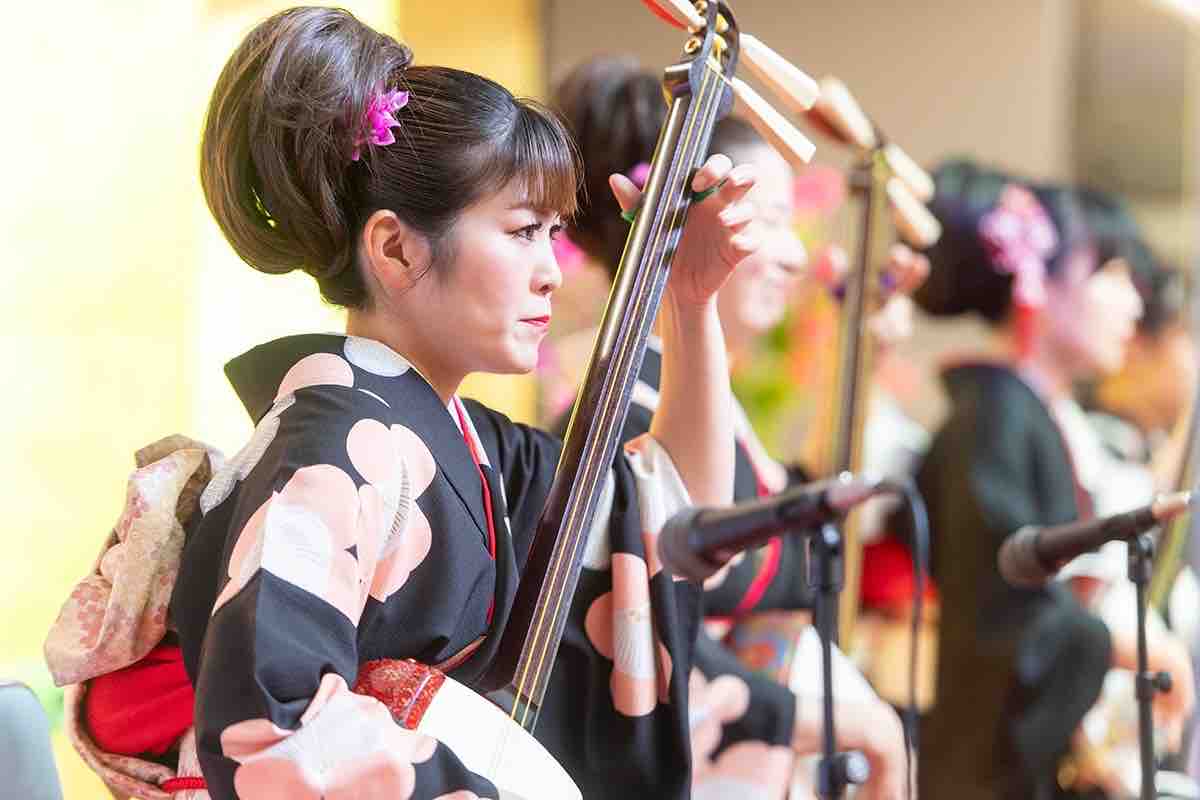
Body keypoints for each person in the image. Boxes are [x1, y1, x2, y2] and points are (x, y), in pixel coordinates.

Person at [73, 7, 767, 799]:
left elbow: (673, 523)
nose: (551, 271)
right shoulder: (329, 450)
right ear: (396, 248)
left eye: (553, 234)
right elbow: (277, 730)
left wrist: (690, 303)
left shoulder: (473, 445)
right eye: (522, 231)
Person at [554, 56, 923, 800]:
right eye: (774, 222)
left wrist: (861, 356)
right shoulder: (625, 412)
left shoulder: (695, 400)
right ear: (697, 223)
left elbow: (798, 528)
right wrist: (848, 724)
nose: (796, 255)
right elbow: (651, 627)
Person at [910, 160, 1192, 799]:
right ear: (1042, 281)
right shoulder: (994, 419)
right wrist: (1127, 647)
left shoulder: (1037, 416)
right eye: (1109, 272)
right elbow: (1003, 600)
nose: (1132, 301)